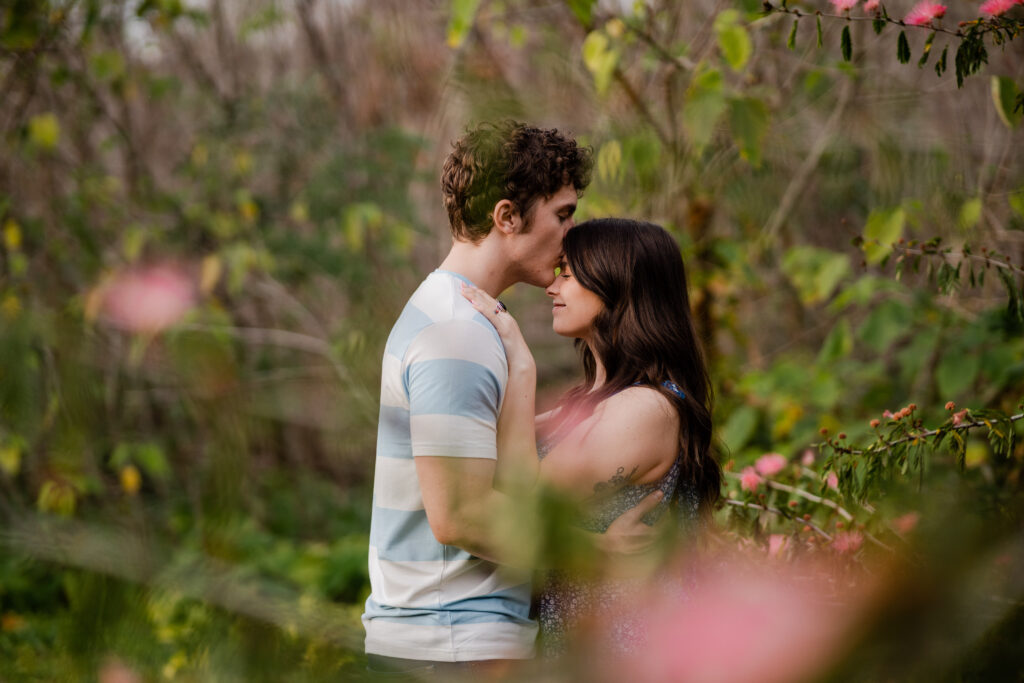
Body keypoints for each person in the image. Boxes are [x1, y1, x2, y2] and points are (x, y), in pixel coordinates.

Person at [361, 122, 663, 676]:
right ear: (507, 217)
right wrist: (599, 553)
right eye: (563, 214)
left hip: (448, 634)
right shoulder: (458, 333)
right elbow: (460, 514)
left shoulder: (455, 317)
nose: (572, 234)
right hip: (453, 637)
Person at [461, 217, 721, 656]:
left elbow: (529, 503)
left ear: (616, 283)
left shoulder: (645, 410)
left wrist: (521, 365)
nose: (551, 287)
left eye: (567, 272)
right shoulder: (599, 403)